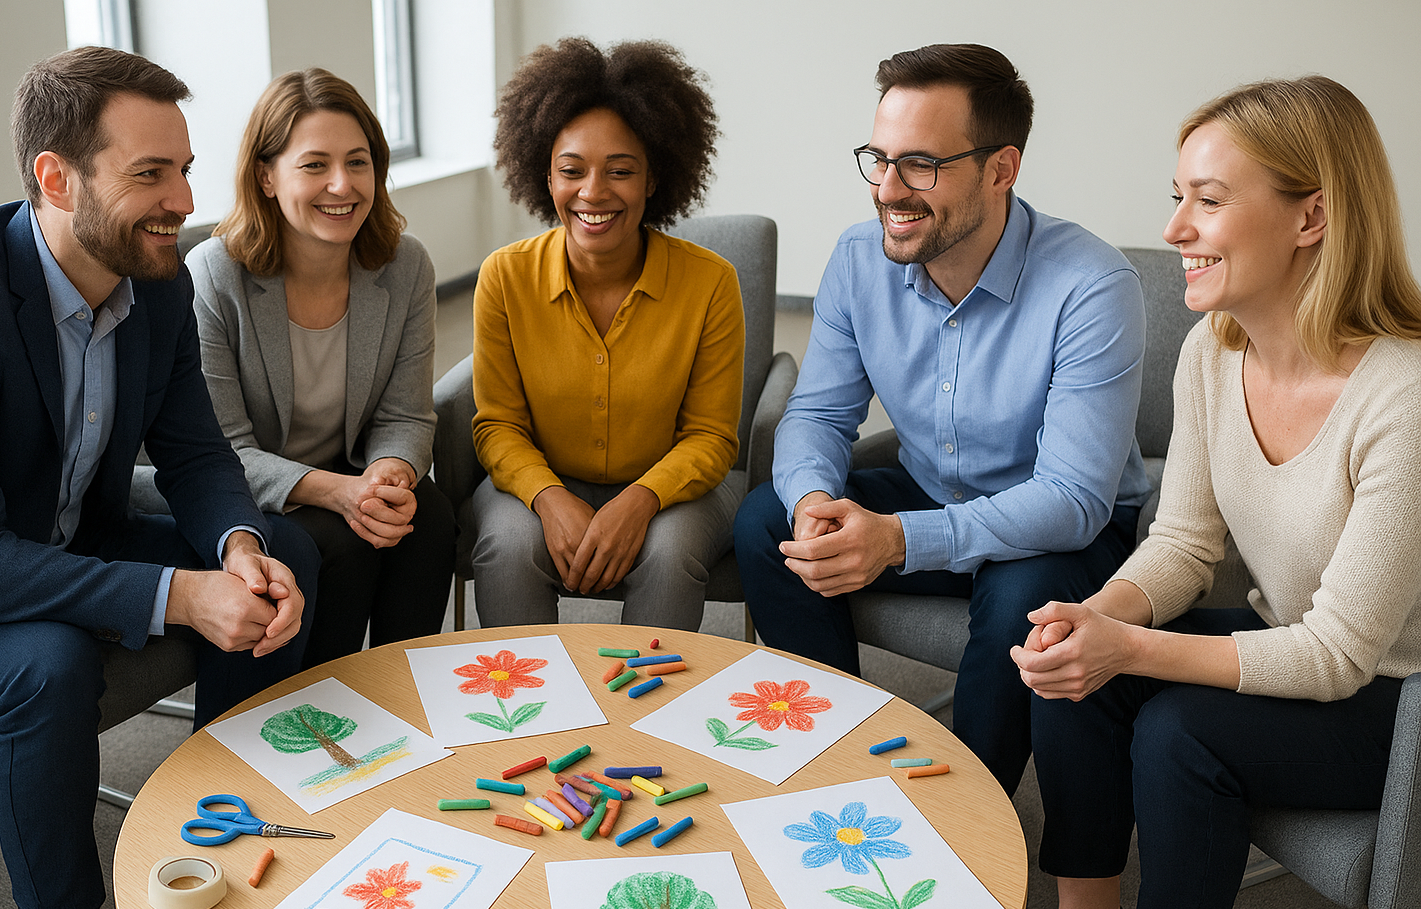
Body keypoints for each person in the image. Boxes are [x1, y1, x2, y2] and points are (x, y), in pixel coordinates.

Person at [0, 48, 317, 909]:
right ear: (55, 176)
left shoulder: (153, 277)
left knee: (284, 552)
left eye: (186, 168)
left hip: (80, 539)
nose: (183, 200)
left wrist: (237, 553)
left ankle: (224, 831)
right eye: (150, 174)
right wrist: (180, 594)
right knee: (47, 661)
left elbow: (200, 457)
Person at [995, 76, 1421, 909]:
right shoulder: (1213, 349)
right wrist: (1096, 622)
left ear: (1311, 216)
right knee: (1075, 662)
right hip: (1296, 641)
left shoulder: (1405, 398)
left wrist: (1133, 647)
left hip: (1397, 699)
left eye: (1209, 200)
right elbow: (1184, 545)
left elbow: (1341, 655)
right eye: (1179, 194)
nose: (1176, 228)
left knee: (1179, 731)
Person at [732, 43, 1150, 796]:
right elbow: (819, 413)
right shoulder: (860, 258)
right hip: (937, 492)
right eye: (879, 159)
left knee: (1027, 596)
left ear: (1001, 169)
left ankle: (958, 818)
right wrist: (816, 504)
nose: (889, 189)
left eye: (919, 164)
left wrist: (898, 540)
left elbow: (1074, 500)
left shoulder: (1092, 285)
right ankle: (834, 764)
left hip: (1063, 531)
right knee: (769, 520)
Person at [472, 37, 744, 630]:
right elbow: (498, 426)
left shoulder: (711, 283)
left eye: (620, 171)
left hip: (674, 486)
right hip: (544, 476)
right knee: (508, 547)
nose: (593, 192)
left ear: (653, 179)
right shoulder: (504, 276)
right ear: (545, 175)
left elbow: (711, 437)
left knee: (670, 554)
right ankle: (520, 717)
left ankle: (639, 720)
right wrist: (547, 496)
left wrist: (641, 499)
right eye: (572, 171)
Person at [189, 68, 455, 668]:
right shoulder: (215, 275)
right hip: (257, 493)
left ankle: (407, 698)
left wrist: (388, 477)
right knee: (339, 539)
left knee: (428, 516)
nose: (342, 184)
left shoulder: (404, 265)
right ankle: (321, 718)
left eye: (358, 162)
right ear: (266, 175)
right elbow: (222, 450)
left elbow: (406, 413)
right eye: (314, 165)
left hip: (351, 470)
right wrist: (340, 493)